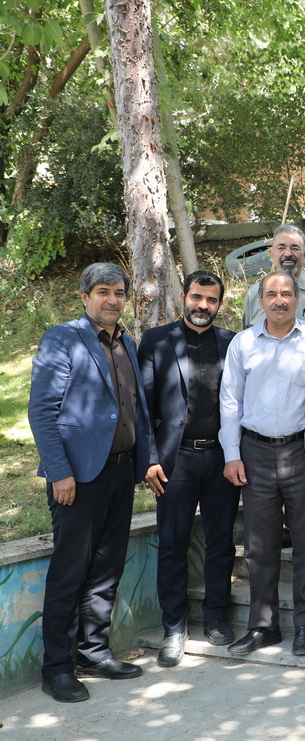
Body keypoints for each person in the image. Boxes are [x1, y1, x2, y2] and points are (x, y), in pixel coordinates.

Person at [29, 263, 153, 703]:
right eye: (103, 291)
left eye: (119, 292)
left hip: (120, 471)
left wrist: (146, 461)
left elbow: (136, 409)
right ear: (85, 297)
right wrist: (59, 472)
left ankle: (93, 653)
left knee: (106, 568)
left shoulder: (127, 342)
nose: (113, 300)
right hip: (78, 478)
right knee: (70, 572)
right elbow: (42, 411)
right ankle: (56, 669)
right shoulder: (63, 338)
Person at [220, 271, 305, 657]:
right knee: (259, 546)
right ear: (261, 300)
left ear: (297, 299)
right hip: (256, 453)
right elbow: (230, 401)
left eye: (286, 293)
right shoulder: (243, 343)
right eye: (271, 294)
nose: (279, 300)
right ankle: (263, 626)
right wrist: (232, 454)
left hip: (303, 452)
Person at [138, 270, 240, 668]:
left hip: (220, 458)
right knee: (172, 545)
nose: (203, 305)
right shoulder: (156, 340)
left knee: (221, 542)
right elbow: (143, 407)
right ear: (184, 296)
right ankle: (174, 628)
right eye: (197, 297)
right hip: (174, 461)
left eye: (211, 300)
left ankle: (215, 616)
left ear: (220, 304)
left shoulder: (232, 342)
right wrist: (149, 458)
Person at [242, 224, 305, 328]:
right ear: (271, 254)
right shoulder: (255, 294)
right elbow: (247, 334)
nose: (288, 254)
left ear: (304, 255)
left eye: (294, 248)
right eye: (281, 248)